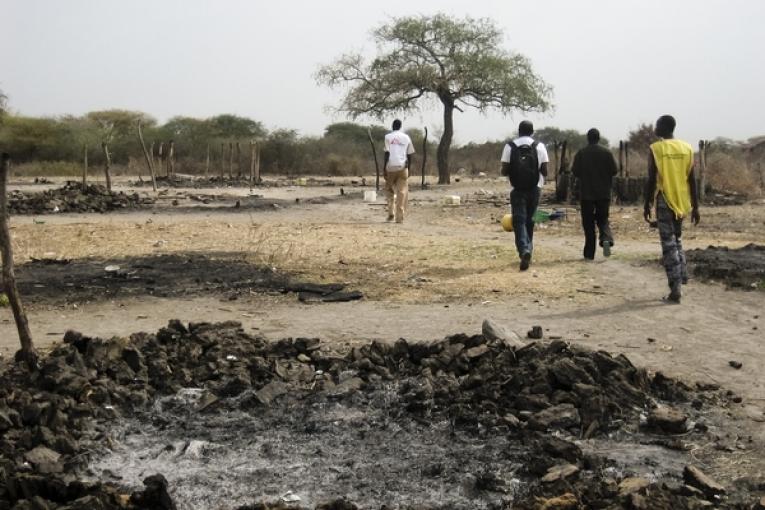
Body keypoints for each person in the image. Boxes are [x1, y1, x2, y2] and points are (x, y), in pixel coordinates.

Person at [643, 115, 700, 304]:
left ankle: (675, 289)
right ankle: (682, 275)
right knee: (677, 239)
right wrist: (696, 207)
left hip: (665, 200)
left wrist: (647, 203)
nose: (654, 128)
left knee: (668, 245)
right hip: (682, 201)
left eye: (657, 125)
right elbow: (692, 180)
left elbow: (651, 179)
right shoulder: (687, 148)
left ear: (665, 127)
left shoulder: (656, 149)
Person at [500, 120, 549, 271]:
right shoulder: (539, 146)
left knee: (519, 221)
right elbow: (545, 171)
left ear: (518, 131)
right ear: (532, 131)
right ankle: (528, 250)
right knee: (530, 221)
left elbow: (504, 171)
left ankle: (523, 250)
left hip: (517, 189)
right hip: (535, 188)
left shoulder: (510, 146)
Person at [571, 128, 618, 260]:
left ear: (588, 138)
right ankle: (606, 238)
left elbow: (575, 171)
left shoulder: (581, 153)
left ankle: (589, 253)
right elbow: (614, 171)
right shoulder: (607, 153)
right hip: (604, 193)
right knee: (603, 219)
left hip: (586, 194)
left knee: (588, 223)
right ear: (599, 138)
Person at [383, 119, 415, 223]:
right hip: (402, 167)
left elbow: (387, 153)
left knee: (389, 189)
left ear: (392, 126)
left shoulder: (388, 137)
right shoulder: (406, 137)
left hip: (390, 167)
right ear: (400, 126)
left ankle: (391, 212)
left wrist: (384, 168)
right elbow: (410, 154)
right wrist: (409, 168)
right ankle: (399, 217)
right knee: (402, 192)